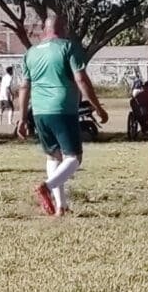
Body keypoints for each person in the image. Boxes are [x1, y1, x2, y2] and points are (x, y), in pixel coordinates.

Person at [16, 15, 108, 216]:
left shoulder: (31, 53)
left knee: (53, 156)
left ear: (44, 30)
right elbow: (81, 79)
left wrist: (22, 118)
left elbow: (24, 87)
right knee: (74, 158)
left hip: (39, 111)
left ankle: (61, 207)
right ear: (63, 29)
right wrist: (98, 107)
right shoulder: (68, 47)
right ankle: (47, 187)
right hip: (63, 109)